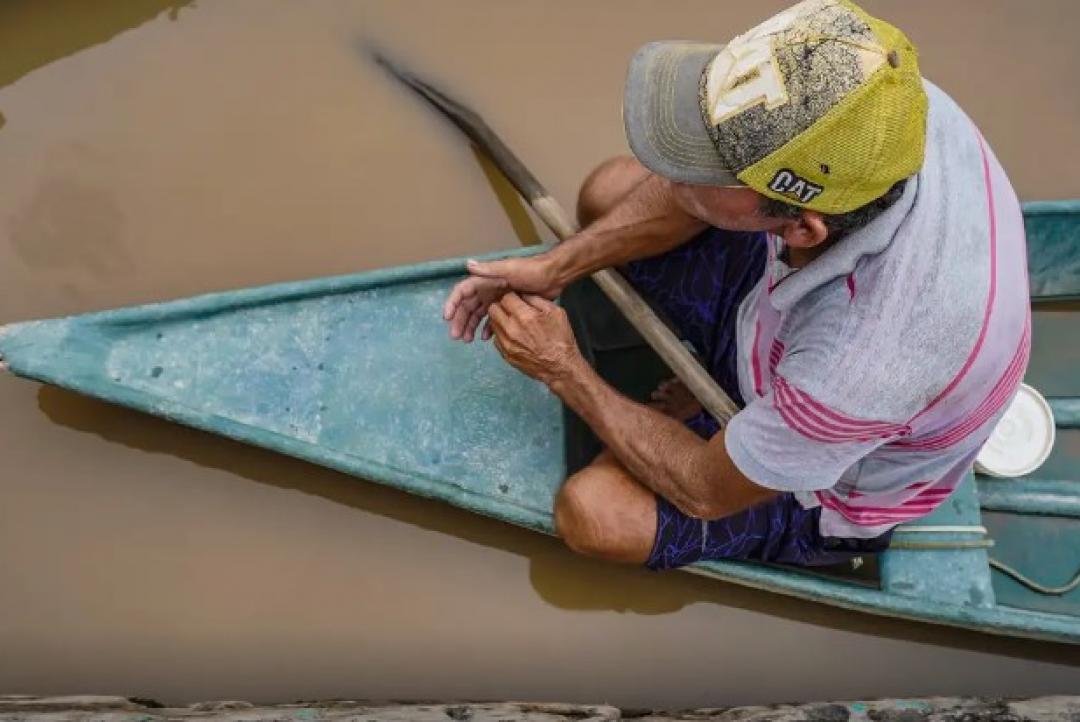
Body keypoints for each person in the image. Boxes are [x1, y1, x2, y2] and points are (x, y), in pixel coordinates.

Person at [441, 0, 1030, 572]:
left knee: (594, 515)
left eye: (708, 168)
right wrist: (558, 268)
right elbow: (681, 189)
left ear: (802, 226)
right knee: (608, 191)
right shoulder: (878, 107)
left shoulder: (860, 369)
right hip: (784, 320)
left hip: (824, 482)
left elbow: (705, 490)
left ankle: (749, 416)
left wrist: (561, 367)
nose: (674, 175)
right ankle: (735, 374)